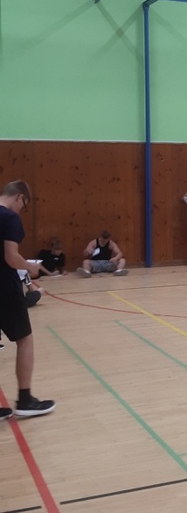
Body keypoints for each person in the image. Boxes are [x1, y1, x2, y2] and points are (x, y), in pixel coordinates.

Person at [0, 180, 55, 420]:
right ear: (19, 197)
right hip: (4, 288)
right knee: (24, 340)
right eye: (23, 206)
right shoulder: (9, 218)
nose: (21, 211)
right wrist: (29, 267)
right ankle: (25, 400)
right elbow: (11, 257)